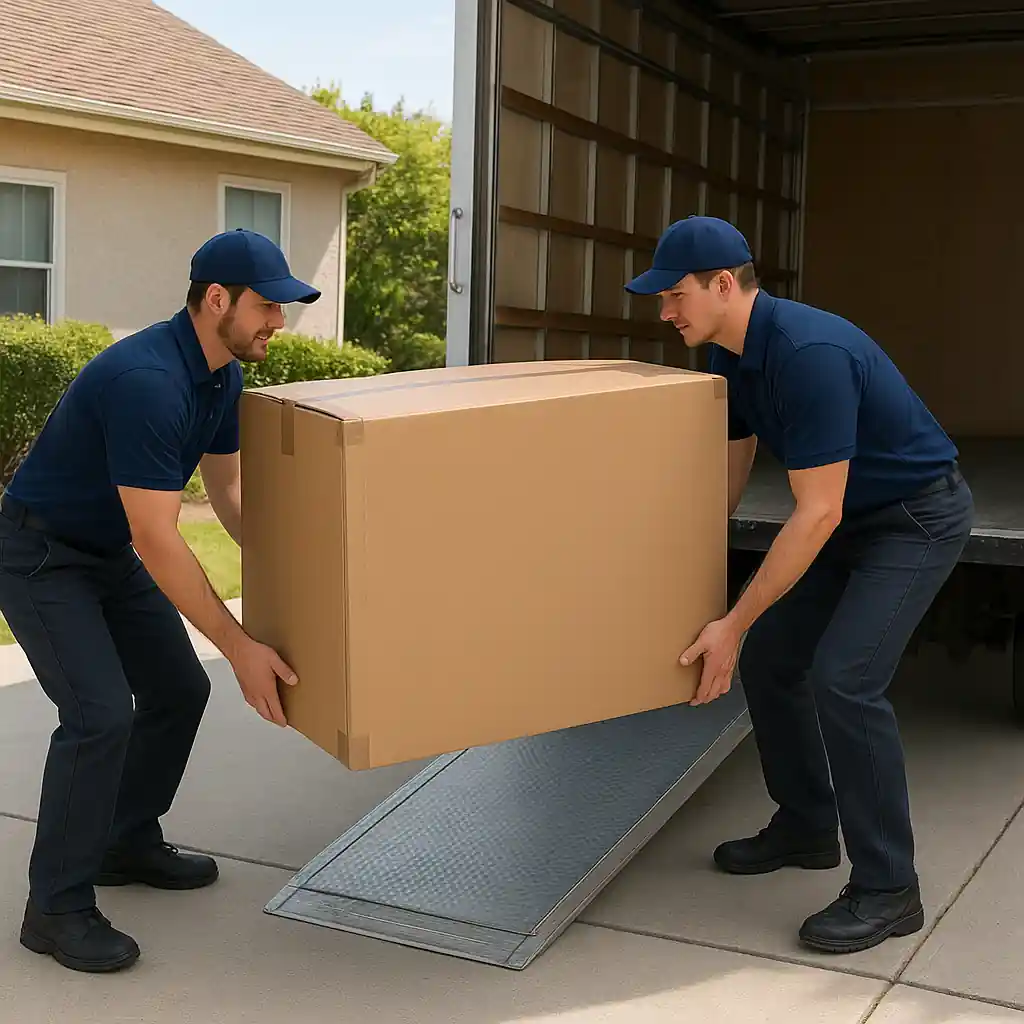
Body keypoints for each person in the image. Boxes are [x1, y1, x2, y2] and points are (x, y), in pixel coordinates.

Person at [625, 216, 973, 955]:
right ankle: (809, 825)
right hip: (849, 521)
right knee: (773, 658)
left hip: (913, 519)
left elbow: (816, 512)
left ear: (724, 285)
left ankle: (889, 890)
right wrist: (699, 568)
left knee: (844, 678)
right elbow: (733, 458)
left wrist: (734, 619)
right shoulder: (729, 354)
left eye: (674, 295)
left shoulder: (807, 352)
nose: (664, 312)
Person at [0, 229, 321, 973]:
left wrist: (299, 575)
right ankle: (56, 909)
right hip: (42, 555)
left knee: (178, 686)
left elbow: (229, 494)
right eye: (269, 306)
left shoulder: (221, 375)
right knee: (99, 713)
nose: (279, 322)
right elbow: (159, 537)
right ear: (218, 301)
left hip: (103, 551)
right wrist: (239, 644)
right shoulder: (148, 380)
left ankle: (125, 840)